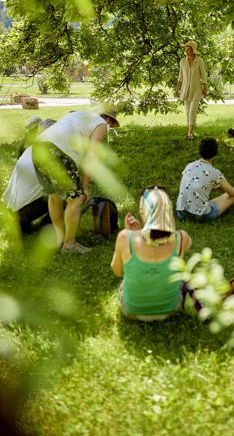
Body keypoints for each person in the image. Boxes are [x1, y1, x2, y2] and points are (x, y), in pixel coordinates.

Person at [30, 107, 119, 253]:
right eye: (111, 124)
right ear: (109, 119)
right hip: (57, 151)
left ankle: (60, 240)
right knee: (76, 200)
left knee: (54, 195)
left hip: (38, 148)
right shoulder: (101, 124)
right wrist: (84, 186)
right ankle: (70, 244)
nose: (109, 127)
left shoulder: (79, 115)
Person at [111, 186, 192, 321]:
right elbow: (168, 240)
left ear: (144, 212)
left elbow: (118, 271)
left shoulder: (125, 237)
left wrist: (132, 232)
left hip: (132, 311)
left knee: (125, 280)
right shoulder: (182, 237)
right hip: (171, 309)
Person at [3, 118, 57, 233]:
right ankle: (45, 229)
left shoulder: (30, 148)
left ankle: (22, 226)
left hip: (11, 209)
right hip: (23, 211)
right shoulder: (48, 152)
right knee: (67, 195)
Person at [176, 137, 234, 221]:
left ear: (200, 150)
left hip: (180, 212)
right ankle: (203, 208)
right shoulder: (215, 172)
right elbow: (232, 193)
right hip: (200, 216)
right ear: (215, 153)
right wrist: (221, 188)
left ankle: (200, 206)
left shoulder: (189, 165)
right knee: (233, 195)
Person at [175, 40, 207, 140]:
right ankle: (190, 131)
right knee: (187, 111)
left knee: (192, 111)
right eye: (185, 49)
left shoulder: (199, 61)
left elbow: (203, 76)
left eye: (188, 49)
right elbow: (180, 77)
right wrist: (177, 89)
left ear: (193, 50)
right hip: (185, 90)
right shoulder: (182, 61)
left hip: (196, 90)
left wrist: (204, 89)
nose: (186, 51)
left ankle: (190, 133)